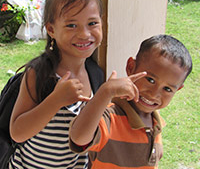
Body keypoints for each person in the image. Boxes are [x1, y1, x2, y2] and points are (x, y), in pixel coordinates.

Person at [9, 0, 104, 169]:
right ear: (51, 29)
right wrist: (56, 100)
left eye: (92, 23)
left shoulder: (96, 75)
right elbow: (17, 132)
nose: (85, 34)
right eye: (71, 25)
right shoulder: (40, 74)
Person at [69, 34, 193, 169]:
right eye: (150, 80)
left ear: (178, 90)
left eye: (167, 89)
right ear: (130, 67)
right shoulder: (110, 117)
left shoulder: (156, 124)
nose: (154, 94)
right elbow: (79, 138)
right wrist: (105, 92)